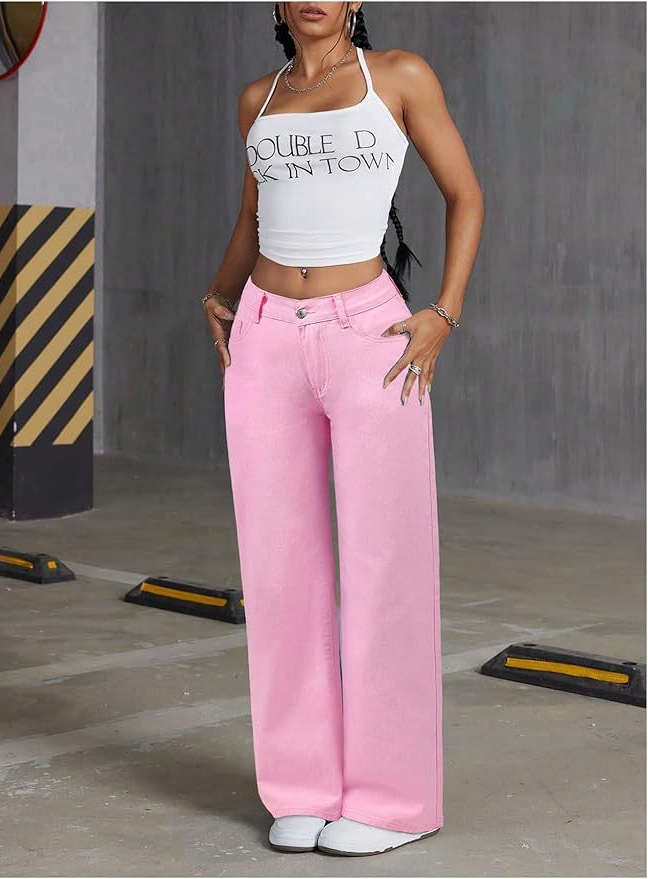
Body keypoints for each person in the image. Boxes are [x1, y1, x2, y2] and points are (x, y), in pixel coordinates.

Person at [202, 1, 484, 858]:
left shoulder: (398, 76)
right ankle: (300, 786)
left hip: (370, 333)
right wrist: (219, 292)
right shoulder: (258, 98)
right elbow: (255, 218)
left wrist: (444, 312)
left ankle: (395, 801)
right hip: (264, 337)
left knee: (385, 563)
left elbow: (466, 194)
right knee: (277, 568)